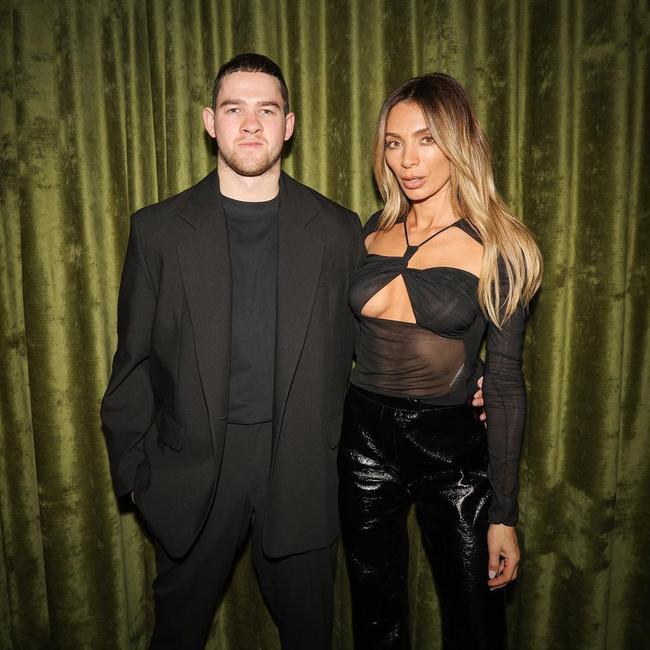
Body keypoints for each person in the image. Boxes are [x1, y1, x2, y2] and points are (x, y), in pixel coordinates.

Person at [100, 53, 364, 650]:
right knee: (177, 634)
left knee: (310, 636)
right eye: (234, 108)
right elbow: (132, 364)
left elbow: (371, 345)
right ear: (209, 122)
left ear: (288, 125)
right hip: (191, 473)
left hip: (301, 470)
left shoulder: (339, 230)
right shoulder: (158, 230)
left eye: (266, 109)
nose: (250, 124)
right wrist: (138, 478)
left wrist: (459, 379)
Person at [338, 73, 543, 649]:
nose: (408, 159)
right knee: (375, 613)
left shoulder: (503, 246)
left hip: (451, 448)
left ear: (459, 142)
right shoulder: (366, 232)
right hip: (364, 440)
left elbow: (504, 382)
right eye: (394, 142)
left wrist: (504, 512)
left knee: (474, 616)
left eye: (426, 139)